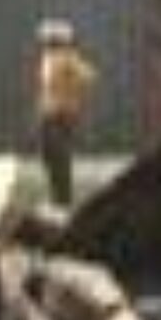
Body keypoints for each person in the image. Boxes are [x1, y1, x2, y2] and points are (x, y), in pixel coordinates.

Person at [34, 19, 96, 209]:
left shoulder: (67, 57)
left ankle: (62, 199)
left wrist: (70, 93)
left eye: (48, 38)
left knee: (58, 156)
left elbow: (89, 76)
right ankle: (57, 196)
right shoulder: (48, 58)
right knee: (49, 156)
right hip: (48, 113)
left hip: (60, 114)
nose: (44, 41)